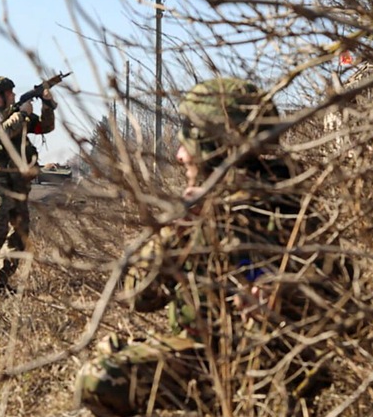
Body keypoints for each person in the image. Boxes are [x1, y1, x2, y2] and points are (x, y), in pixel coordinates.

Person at [75, 78, 341, 416]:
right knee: (107, 362)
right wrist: (178, 229)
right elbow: (139, 296)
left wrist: (284, 296)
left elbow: (138, 295)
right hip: (225, 366)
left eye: (190, 142)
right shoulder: (288, 201)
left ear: (215, 147)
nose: (180, 154)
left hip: (266, 373)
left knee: (100, 377)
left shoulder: (276, 210)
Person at [0, 76, 57, 294]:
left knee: (20, 234)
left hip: (16, 182)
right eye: (10, 93)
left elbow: (46, 126)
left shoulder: (15, 115)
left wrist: (46, 104)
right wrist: (23, 113)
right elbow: (3, 132)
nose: (15, 96)